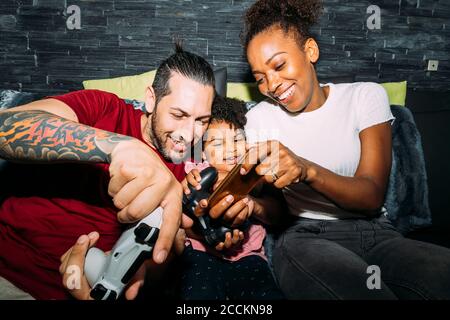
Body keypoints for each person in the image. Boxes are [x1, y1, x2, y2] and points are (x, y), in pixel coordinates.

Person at [239, 0, 450, 299]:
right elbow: (270, 209)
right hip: (305, 237)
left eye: (279, 65)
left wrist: (306, 169)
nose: (272, 84)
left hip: (377, 233)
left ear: (310, 51)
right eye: (259, 78)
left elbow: (371, 195)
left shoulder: (364, 97)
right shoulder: (259, 119)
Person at [0, 44, 235, 300]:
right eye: (178, 114)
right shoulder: (105, 108)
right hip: (8, 272)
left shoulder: (189, 170)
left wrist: (150, 268)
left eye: (201, 120)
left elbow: (153, 272)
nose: (190, 134)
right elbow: (5, 127)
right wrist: (117, 147)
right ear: (151, 99)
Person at [179, 95, 284, 300]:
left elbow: (278, 213)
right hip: (201, 254)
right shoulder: (196, 173)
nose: (231, 149)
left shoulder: (256, 173)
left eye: (237, 139)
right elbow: (183, 221)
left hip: (248, 255)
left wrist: (252, 204)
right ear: (201, 153)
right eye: (217, 144)